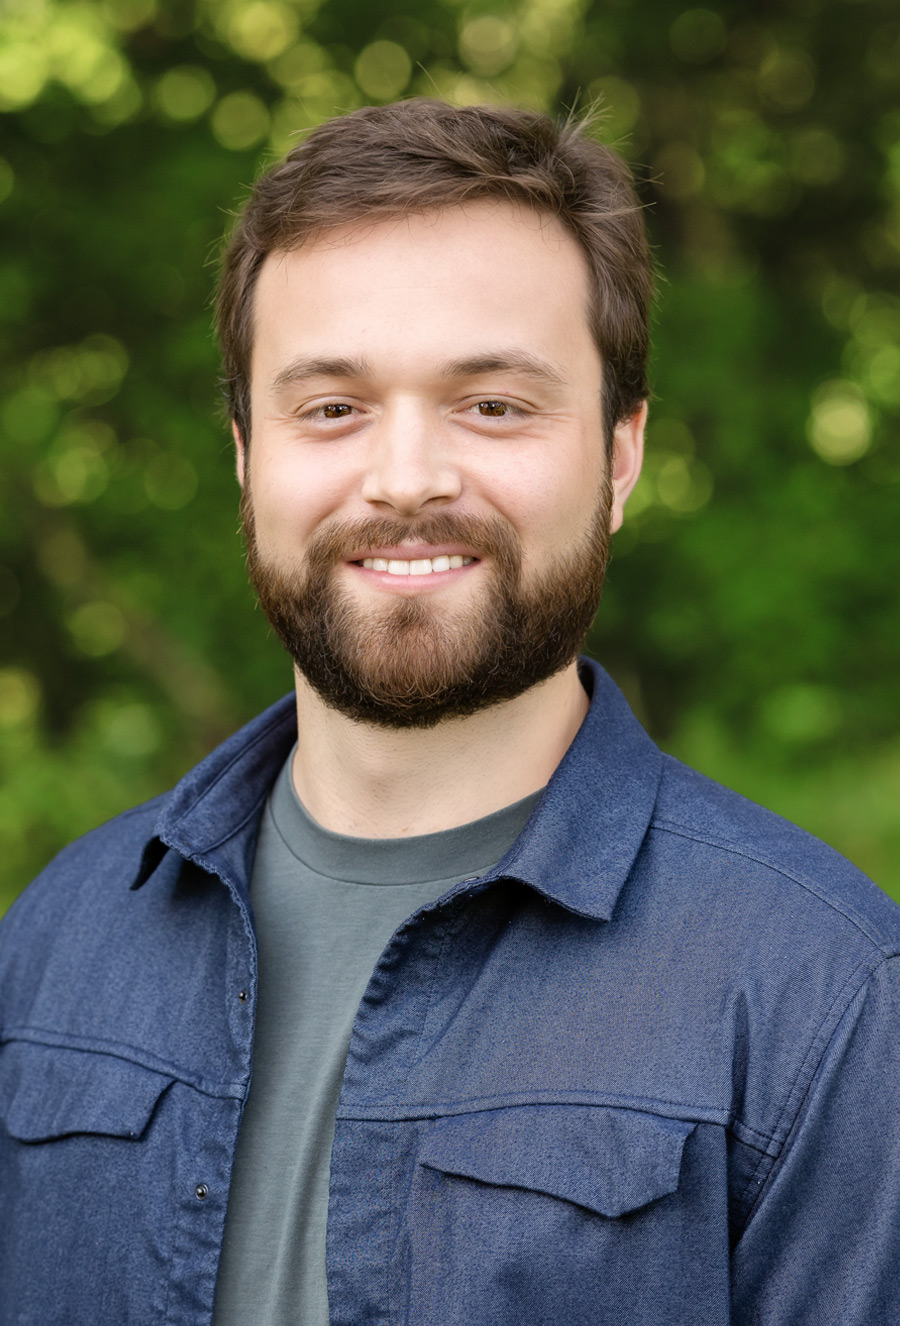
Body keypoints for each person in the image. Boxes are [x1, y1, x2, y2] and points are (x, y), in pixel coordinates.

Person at [1, 98, 899, 1326]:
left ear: (621, 456)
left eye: (494, 404)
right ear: (244, 455)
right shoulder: (57, 943)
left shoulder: (824, 995)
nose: (408, 476)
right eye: (332, 407)